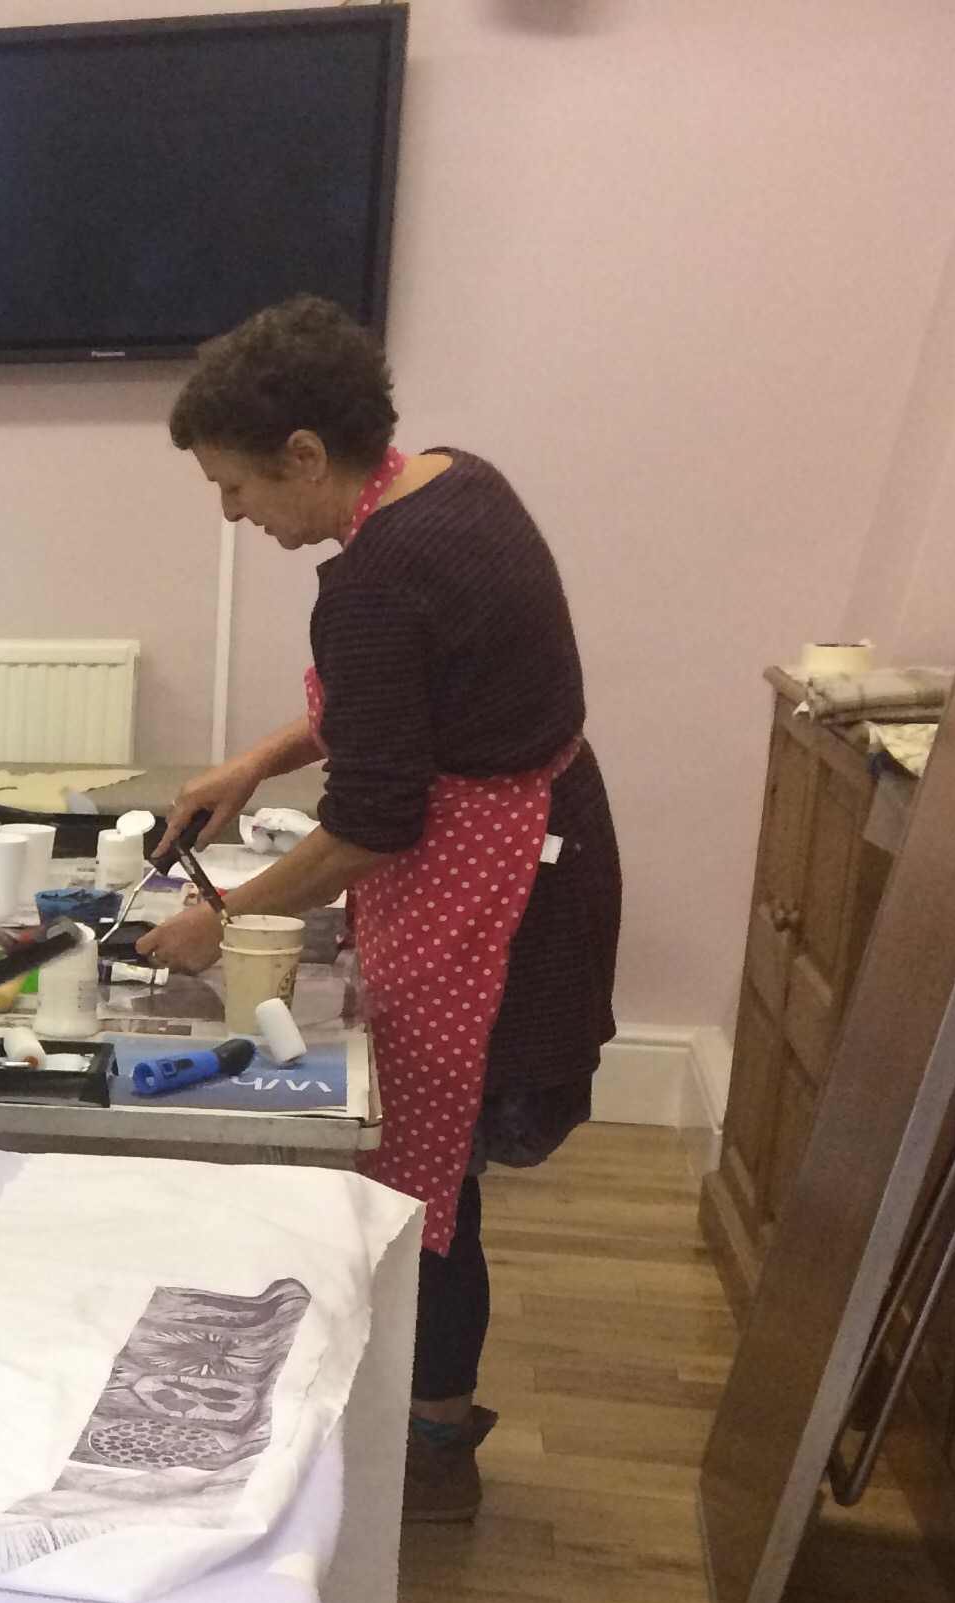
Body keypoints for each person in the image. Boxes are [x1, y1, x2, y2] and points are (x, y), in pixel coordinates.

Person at [138, 296, 622, 1523]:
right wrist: (256, 761)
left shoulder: (374, 583)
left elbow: (376, 818)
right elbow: (406, 704)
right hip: (547, 837)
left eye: (238, 485)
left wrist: (232, 914)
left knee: (424, 1174)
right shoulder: (455, 484)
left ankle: (432, 1432)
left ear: (306, 453)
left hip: (498, 881)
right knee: (423, 1159)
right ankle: (421, 1405)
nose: (234, 512)